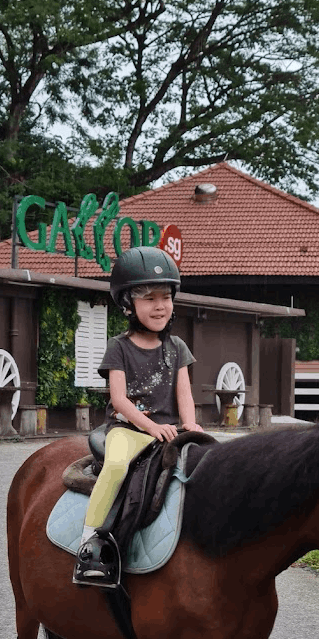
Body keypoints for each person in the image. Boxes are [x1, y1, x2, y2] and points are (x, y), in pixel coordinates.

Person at [72, 246, 203, 588]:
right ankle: (91, 544)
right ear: (129, 304)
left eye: (166, 297)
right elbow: (119, 399)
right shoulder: (119, 347)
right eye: (149, 298)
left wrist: (189, 424)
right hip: (129, 429)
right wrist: (150, 426)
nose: (160, 306)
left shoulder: (178, 348)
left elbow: (184, 393)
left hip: (171, 429)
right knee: (116, 468)